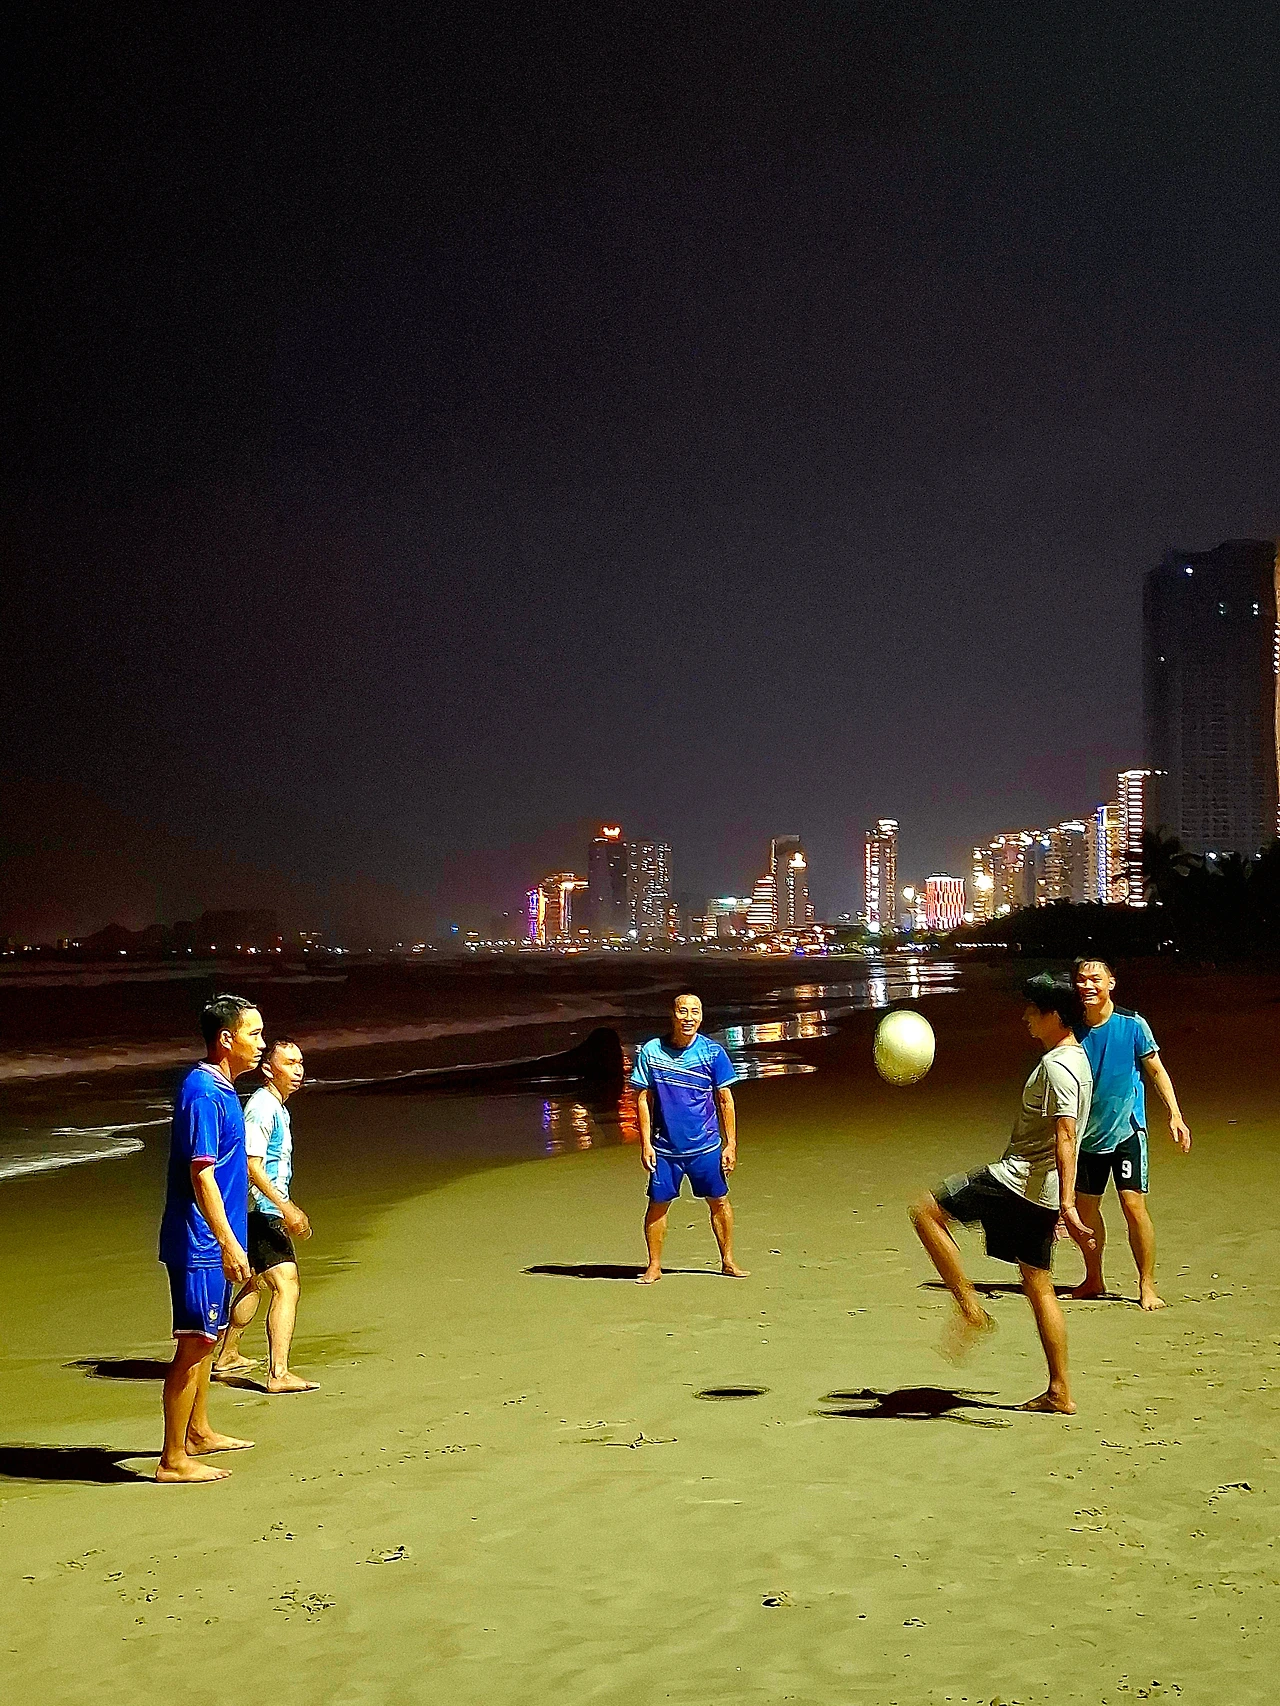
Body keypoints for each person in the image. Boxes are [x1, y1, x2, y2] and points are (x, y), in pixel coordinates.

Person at [909, 974, 1095, 1414]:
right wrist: (1060, 1199)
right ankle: (1060, 1391)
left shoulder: (1058, 1067)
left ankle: (969, 1307)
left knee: (925, 1212)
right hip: (1043, 1190)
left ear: (1055, 1015)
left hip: (1017, 1182)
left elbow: (1067, 1134)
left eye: (1033, 1009)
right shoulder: (1079, 1059)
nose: (1026, 1016)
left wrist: (1068, 1205)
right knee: (1038, 1284)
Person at [156, 994, 262, 1482]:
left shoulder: (223, 1089)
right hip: (198, 1240)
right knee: (195, 1343)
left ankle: (197, 1432)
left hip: (215, 1237)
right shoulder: (202, 1091)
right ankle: (172, 1459)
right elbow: (201, 1175)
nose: (259, 1044)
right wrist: (227, 1242)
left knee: (209, 1336)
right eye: (253, 1034)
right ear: (226, 1039)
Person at [1071, 957, 1192, 1311]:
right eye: (1081, 980)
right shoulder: (1071, 1030)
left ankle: (1147, 1285)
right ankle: (1094, 1278)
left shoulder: (1133, 1024)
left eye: (1095, 979)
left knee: (1133, 1205)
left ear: (1111, 983)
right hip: (1086, 1136)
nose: (1087, 985)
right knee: (1086, 1210)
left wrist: (1175, 1114)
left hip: (1127, 1131)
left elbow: (1156, 1070)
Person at [212, 1037, 317, 1393]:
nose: (298, 1070)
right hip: (260, 1211)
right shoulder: (263, 1107)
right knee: (287, 1285)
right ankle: (278, 1373)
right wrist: (286, 1207)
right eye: (289, 1063)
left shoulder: (277, 1108)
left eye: (300, 1063)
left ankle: (227, 1355)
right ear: (269, 1070)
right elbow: (251, 1165)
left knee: (253, 1281)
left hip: (255, 1210)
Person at [632, 991, 747, 1285]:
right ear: (672, 1015)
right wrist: (645, 1143)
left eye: (695, 1012)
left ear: (701, 1016)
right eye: (683, 1011)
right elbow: (643, 1099)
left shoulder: (712, 1053)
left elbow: (725, 1100)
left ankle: (728, 1261)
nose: (688, 1018)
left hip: (706, 1146)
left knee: (719, 1201)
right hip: (665, 1148)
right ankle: (654, 1266)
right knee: (658, 1204)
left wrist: (731, 1144)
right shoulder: (652, 1051)